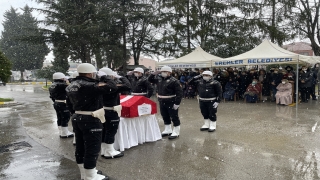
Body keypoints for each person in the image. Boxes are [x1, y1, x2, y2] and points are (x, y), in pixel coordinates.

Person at [66, 63, 118, 180]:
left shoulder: (71, 85)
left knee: (80, 147)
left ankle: (84, 173)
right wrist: (105, 77)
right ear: (90, 73)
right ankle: (90, 176)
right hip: (91, 118)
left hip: (77, 117)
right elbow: (112, 87)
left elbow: (69, 104)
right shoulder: (90, 85)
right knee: (92, 148)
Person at [99, 68, 131, 159]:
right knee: (111, 131)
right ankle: (109, 151)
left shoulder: (98, 84)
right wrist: (121, 77)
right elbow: (128, 86)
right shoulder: (112, 86)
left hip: (102, 110)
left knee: (104, 130)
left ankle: (104, 150)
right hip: (111, 110)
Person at [148, 66, 183, 139]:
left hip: (171, 101)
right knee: (165, 115)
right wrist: (153, 74)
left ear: (169, 72)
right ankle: (168, 129)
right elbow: (149, 79)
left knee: (174, 116)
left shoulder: (174, 81)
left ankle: (176, 131)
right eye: (162, 71)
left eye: (164, 71)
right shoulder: (159, 79)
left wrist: (177, 103)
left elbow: (179, 93)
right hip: (162, 101)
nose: (162, 73)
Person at [49, 72, 74, 138]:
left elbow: (51, 96)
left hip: (56, 102)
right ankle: (65, 133)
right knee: (65, 117)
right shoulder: (62, 85)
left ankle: (61, 131)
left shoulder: (52, 85)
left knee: (59, 117)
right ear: (61, 78)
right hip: (63, 103)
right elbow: (71, 87)